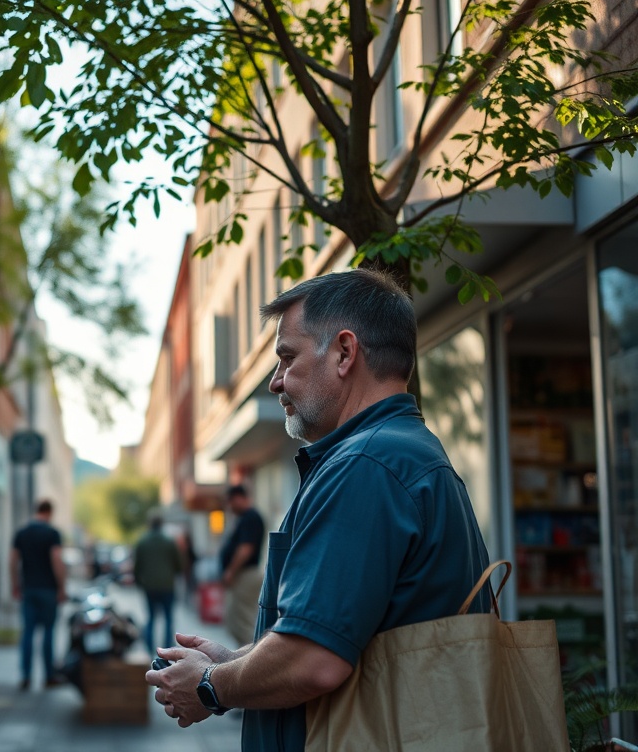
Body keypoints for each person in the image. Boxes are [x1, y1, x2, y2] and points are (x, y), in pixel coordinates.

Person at [146, 268, 491, 752]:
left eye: (287, 357)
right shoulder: (400, 454)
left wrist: (210, 687)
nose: (275, 381)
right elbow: (342, 635)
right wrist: (234, 661)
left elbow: (315, 660)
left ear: (345, 353)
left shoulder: (366, 466)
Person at [10, 498, 66, 690]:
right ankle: (48, 676)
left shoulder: (22, 533)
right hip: (48, 590)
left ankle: (25, 676)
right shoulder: (52, 533)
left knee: (27, 632)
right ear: (49, 513)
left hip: (29, 589)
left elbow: (12, 561)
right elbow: (56, 559)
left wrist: (15, 585)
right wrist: (62, 587)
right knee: (48, 632)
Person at [218, 483, 265, 646]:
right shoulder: (246, 518)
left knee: (243, 624)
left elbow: (246, 549)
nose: (229, 507)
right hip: (243, 575)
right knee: (235, 622)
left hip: (245, 575)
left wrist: (231, 571)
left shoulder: (250, 517)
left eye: (230, 501)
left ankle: (249, 664)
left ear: (238, 498)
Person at [133, 512, 184, 655]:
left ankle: (149, 648)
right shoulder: (169, 542)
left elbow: (137, 566)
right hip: (167, 585)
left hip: (149, 586)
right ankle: (167, 651)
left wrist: (139, 582)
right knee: (168, 619)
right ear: (161, 524)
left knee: (150, 618)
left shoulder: (142, 542)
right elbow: (179, 565)